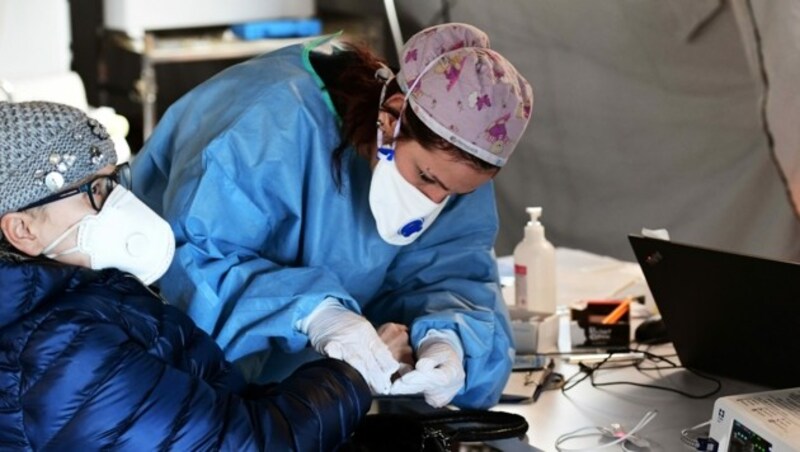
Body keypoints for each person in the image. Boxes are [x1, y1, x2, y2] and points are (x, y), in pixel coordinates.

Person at [131, 22, 534, 409]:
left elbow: (453, 273)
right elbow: (193, 265)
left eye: (453, 192)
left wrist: (450, 339)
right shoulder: (267, 124)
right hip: (178, 390)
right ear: (392, 119)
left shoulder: (450, 164)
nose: (434, 200)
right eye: (426, 177)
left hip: (309, 405)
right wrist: (313, 313)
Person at [0, 101, 371, 450]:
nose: (119, 203)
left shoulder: (76, 306)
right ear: (22, 231)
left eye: (114, 181)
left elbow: (207, 413)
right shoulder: (59, 347)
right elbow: (246, 444)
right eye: (94, 189)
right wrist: (352, 374)